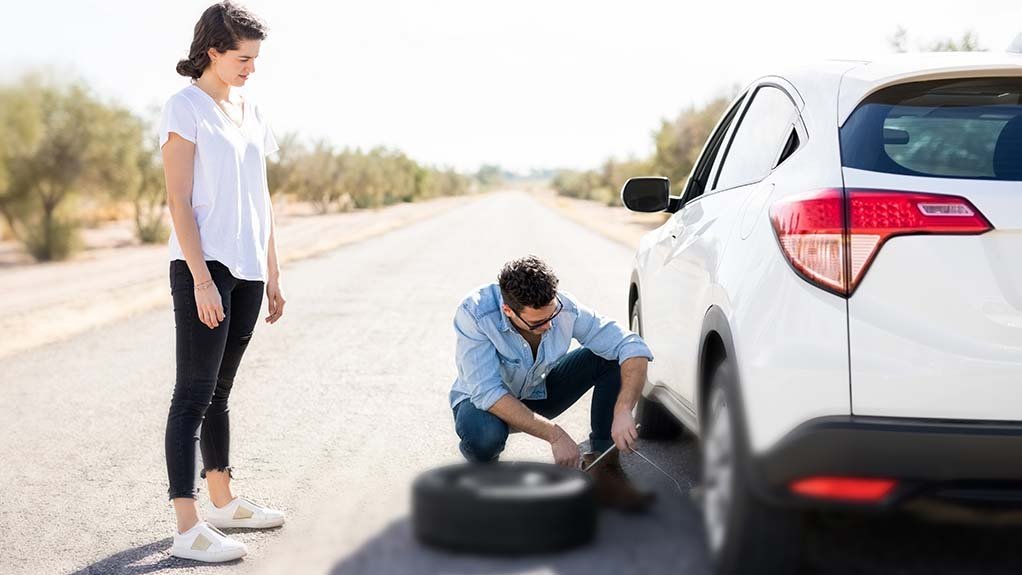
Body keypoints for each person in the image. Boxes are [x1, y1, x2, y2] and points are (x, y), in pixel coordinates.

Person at [160, 1, 286, 562]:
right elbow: (178, 201)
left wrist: (274, 273)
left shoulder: (251, 109)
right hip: (204, 267)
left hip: (248, 270)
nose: (250, 68)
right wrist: (200, 279)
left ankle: (223, 501)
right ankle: (187, 527)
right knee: (192, 394)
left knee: (221, 393)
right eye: (242, 57)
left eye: (255, 58)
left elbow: (262, 200)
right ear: (212, 51)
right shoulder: (184, 107)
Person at [450, 255, 656, 512]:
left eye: (552, 315)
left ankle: (604, 471)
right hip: (483, 406)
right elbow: (487, 393)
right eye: (537, 322)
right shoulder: (475, 313)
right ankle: (485, 476)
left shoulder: (565, 309)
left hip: (539, 391)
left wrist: (623, 408)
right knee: (485, 436)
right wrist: (555, 435)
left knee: (611, 358)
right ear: (508, 311)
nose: (549, 326)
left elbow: (631, 345)